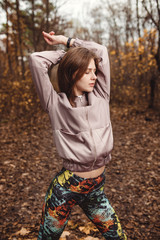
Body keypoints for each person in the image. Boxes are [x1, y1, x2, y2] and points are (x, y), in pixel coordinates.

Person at [29, 31, 127, 240]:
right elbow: (36, 60)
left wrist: (68, 42)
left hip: (95, 189)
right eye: (87, 72)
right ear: (73, 72)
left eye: (95, 71)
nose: (94, 76)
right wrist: (68, 55)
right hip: (66, 189)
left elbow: (100, 51)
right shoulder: (55, 103)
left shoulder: (102, 95)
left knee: (118, 237)